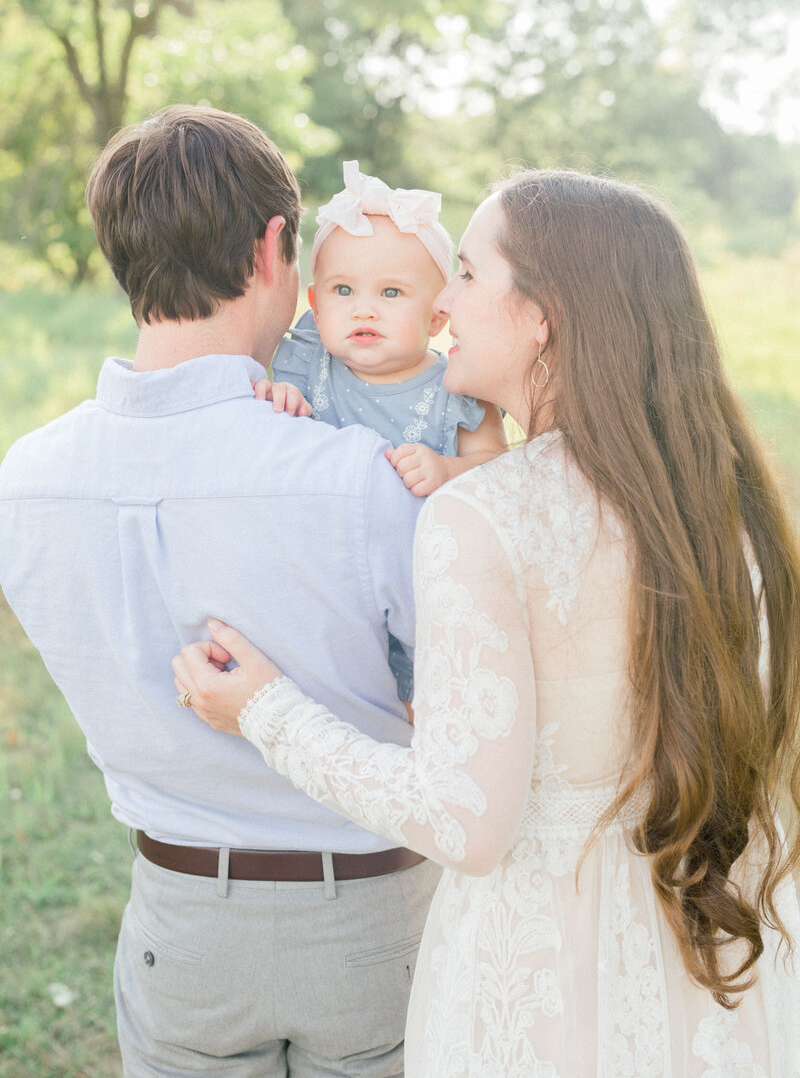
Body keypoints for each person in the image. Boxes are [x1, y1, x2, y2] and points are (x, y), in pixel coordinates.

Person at [173, 169, 800, 1077]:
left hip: (539, 988)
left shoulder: (485, 516)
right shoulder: (731, 508)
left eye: (466, 272)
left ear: (541, 313)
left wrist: (267, 710)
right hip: (707, 965)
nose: (445, 303)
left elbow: (465, 821)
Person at [0, 105, 441, 1078]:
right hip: (372, 926)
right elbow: (463, 702)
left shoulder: (23, 482)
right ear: (274, 247)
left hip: (177, 923)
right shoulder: (359, 476)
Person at [267, 160, 506, 711]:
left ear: (438, 313)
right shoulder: (304, 366)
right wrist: (276, 398)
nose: (364, 308)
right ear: (315, 301)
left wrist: (448, 471)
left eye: (392, 293)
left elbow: (501, 470)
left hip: (429, 593)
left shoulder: (459, 386)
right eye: (343, 290)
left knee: (430, 706)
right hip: (330, 586)